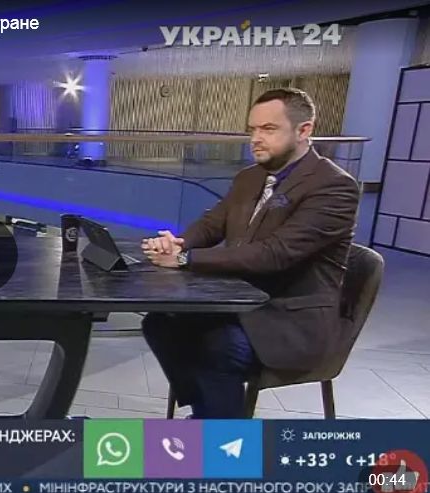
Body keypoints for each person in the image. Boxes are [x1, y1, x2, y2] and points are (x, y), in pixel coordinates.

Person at [140, 88, 360, 418]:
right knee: (160, 323)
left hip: (287, 319)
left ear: (304, 130)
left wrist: (186, 260)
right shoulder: (250, 176)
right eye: (252, 129)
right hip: (238, 302)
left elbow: (275, 254)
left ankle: (222, 438)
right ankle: (207, 417)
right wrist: (181, 243)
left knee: (217, 346)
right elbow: (213, 223)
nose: (255, 139)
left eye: (268, 129)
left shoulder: (334, 187)